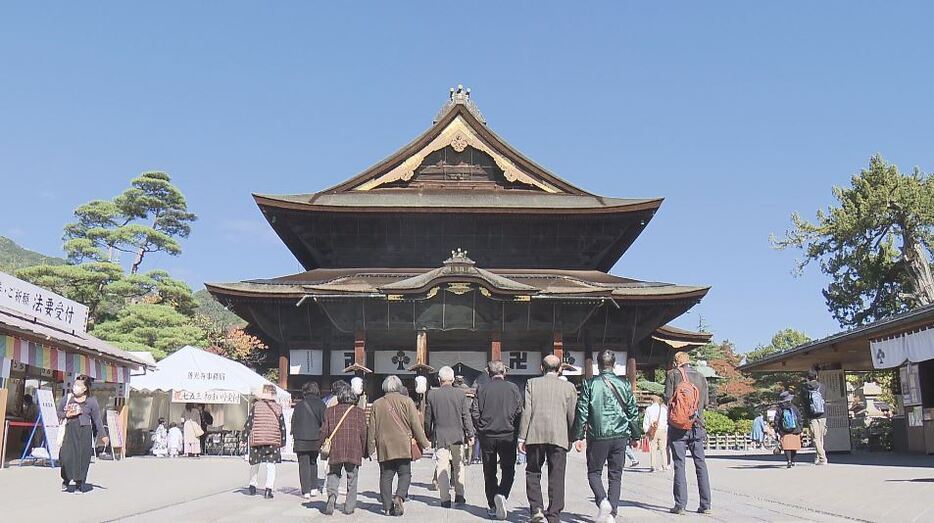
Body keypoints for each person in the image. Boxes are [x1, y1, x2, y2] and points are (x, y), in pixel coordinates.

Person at [572, 349, 641, 523]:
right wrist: (636, 435)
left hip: (598, 434)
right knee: (615, 474)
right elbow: (632, 411)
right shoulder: (624, 383)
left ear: (598, 365)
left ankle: (602, 500)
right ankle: (612, 512)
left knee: (594, 472)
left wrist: (578, 436)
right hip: (620, 434)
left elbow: (582, 411)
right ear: (614, 364)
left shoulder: (590, 384)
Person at [518, 354, 578, 523]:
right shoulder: (569, 388)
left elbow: (526, 412)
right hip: (559, 435)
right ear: (560, 369)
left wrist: (522, 437)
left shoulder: (532, 384)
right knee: (557, 475)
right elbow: (572, 415)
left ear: (541, 368)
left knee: (533, 471)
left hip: (535, 434)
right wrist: (573, 437)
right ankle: (554, 514)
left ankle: (536, 508)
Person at [367, 375, 431, 516]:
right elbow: (416, 425)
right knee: (405, 473)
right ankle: (399, 496)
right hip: (403, 444)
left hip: (384, 445)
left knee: (385, 476)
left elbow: (372, 428)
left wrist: (369, 448)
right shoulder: (407, 401)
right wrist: (425, 442)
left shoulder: (377, 404)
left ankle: (387, 507)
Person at [471, 360, 523, 520]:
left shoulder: (482, 388)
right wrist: (513, 427)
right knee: (508, 469)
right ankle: (502, 494)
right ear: (504, 372)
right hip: (507, 434)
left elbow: (474, 412)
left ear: (488, 372)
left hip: (487, 435)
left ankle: (493, 504)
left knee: (489, 471)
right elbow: (519, 411)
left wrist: (481, 427)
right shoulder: (513, 388)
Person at [665, 351, 711, 515]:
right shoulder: (701, 377)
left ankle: (680, 505)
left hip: (678, 427)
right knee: (701, 464)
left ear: (677, 362)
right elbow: (705, 403)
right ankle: (705, 505)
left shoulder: (673, 375)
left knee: (679, 465)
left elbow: (667, 399)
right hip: (697, 425)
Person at [425, 366, 474, 509]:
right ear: (452, 380)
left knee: (442, 466)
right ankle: (460, 494)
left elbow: (428, 418)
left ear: (439, 380)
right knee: (459, 465)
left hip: (440, 436)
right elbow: (466, 416)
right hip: (458, 435)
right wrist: (470, 434)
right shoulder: (460, 395)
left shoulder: (432, 395)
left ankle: (445, 499)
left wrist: (427, 434)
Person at [319, 381, 367, 516]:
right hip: (354, 448)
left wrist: (319, 445)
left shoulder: (330, 411)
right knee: (352, 477)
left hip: (336, 448)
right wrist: (364, 451)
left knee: (334, 473)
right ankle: (349, 506)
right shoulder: (359, 412)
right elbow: (364, 433)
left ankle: (332, 496)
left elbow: (324, 431)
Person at [57, 374, 108, 493]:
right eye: (75, 384)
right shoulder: (68, 398)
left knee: (82, 458)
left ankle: (79, 483)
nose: (75, 387)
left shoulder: (91, 402)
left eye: (79, 385)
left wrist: (103, 435)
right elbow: (59, 412)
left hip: (84, 430)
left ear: (85, 388)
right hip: (70, 430)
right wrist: (66, 415)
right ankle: (66, 478)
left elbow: (97, 420)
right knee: (65, 457)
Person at [244, 384, 286, 499]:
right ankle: (268, 489)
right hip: (272, 440)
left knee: (255, 463)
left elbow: (249, 423)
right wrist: (283, 441)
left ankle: (252, 485)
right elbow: (282, 426)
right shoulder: (278, 408)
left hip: (257, 439)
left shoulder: (256, 406)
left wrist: (244, 437)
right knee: (271, 465)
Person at [292, 381, 327, 498]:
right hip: (316, 439)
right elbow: (325, 422)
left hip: (301, 439)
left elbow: (294, 422)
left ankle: (306, 490)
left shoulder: (299, 405)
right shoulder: (322, 405)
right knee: (313, 462)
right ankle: (313, 488)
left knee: (303, 464)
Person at [800, 370, 828, 465]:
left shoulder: (804, 388)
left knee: (815, 438)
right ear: (816, 376)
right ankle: (818, 456)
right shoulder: (822, 386)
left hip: (811, 415)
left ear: (807, 377)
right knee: (820, 437)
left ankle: (822, 458)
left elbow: (803, 402)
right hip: (823, 414)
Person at [774, 391, 803, 468]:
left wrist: (777, 429)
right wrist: (800, 428)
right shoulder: (794, 407)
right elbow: (799, 418)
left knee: (786, 447)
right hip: (795, 430)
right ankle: (793, 460)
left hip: (784, 431)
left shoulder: (780, 409)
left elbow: (777, 420)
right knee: (793, 446)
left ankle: (789, 461)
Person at [643, 396, 669, 471]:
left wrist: (646, 430)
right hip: (662, 430)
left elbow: (646, 420)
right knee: (663, 449)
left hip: (653, 430)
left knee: (653, 449)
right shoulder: (664, 409)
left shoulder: (649, 409)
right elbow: (666, 420)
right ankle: (665, 465)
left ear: (652, 401)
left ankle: (653, 466)